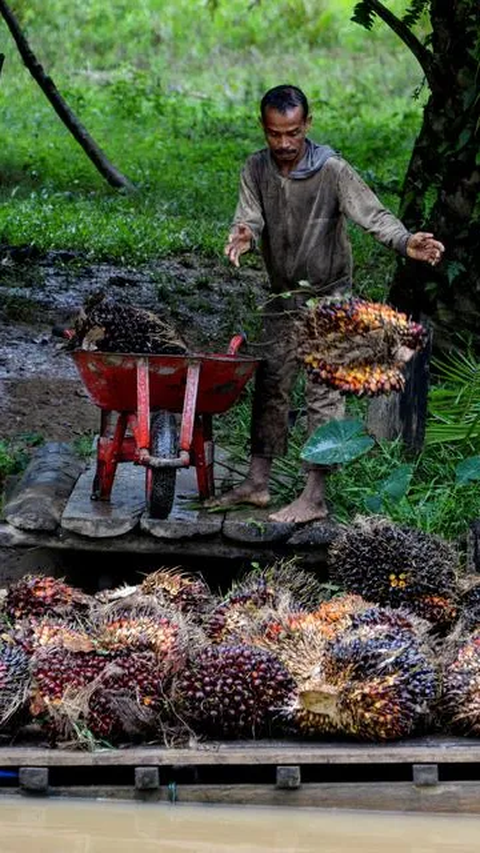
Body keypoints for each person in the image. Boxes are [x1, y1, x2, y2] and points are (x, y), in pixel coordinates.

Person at [212, 84, 444, 524]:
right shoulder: (255, 168)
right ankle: (257, 484)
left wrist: (406, 241)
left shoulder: (332, 169)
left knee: (324, 396)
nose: (283, 144)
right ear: (264, 128)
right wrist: (243, 232)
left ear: (308, 126)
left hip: (329, 299)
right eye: (274, 134)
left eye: (292, 134)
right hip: (282, 299)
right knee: (270, 385)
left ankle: (314, 495)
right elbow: (249, 217)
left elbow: (372, 215)